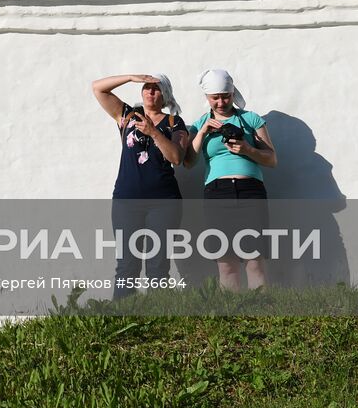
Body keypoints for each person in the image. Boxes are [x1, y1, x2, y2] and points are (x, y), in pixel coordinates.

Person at [92, 72, 190, 298]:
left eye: (155, 88)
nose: (150, 91)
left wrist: (153, 132)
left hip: (164, 203)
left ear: (164, 94)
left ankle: (159, 321)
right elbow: (98, 88)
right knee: (127, 265)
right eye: (146, 87)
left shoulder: (174, 123)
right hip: (127, 201)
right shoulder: (127, 116)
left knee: (158, 267)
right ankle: (123, 320)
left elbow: (176, 157)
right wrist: (130, 77)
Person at [186, 68, 276, 290]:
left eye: (225, 96)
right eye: (214, 98)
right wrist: (202, 132)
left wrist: (247, 149)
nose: (220, 102)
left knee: (254, 261)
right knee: (226, 264)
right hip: (217, 192)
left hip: (250, 190)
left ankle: (262, 315)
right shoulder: (200, 124)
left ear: (232, 92)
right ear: (207, 97)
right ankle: (232, 316)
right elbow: (188, 162)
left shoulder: (250, 119)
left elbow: (271, 159)